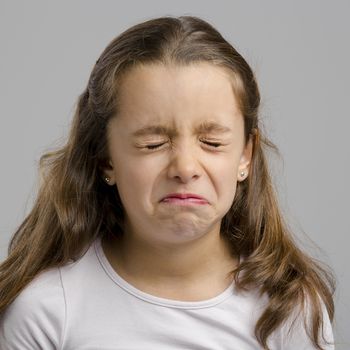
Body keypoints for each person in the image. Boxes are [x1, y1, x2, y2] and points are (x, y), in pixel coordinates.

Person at [0, 15, 336, 350]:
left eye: (213, 143)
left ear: (245, 156)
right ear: (105, 159)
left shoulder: (288, 310)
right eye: (153, 145)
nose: (186, 168)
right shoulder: (46, 312)